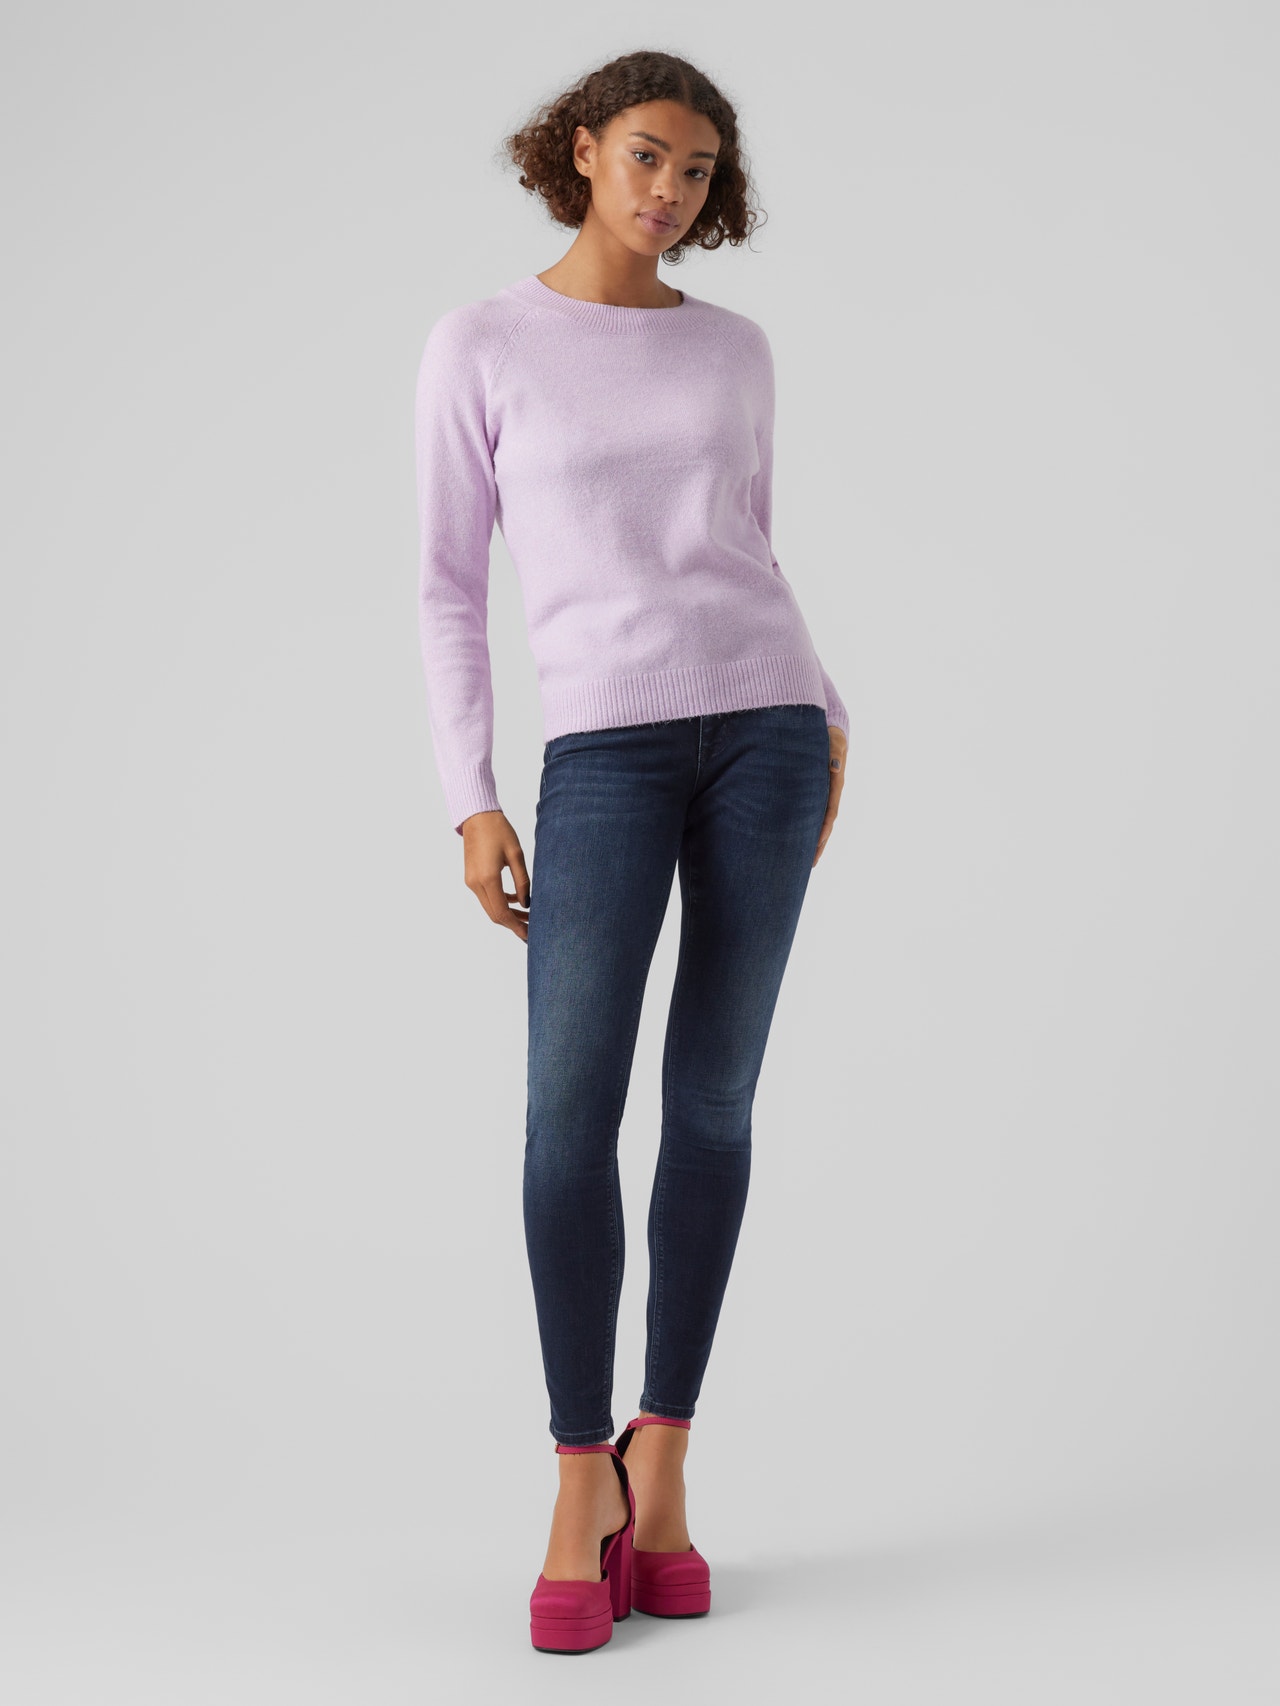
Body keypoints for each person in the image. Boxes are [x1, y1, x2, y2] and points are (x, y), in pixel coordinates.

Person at [413, 49, 850, 1652]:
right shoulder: (482, 343)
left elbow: (750, 549)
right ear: (584, 149)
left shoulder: (736, 351)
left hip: (768, 733)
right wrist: (472, 793)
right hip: (601, 753)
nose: (671, 190)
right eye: (650, 155)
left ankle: (661, 1465)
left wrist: (827, 710)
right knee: (567, 1116)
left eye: (699, 170)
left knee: (714, 1102)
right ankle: (577, 1474)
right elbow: (447, 583)